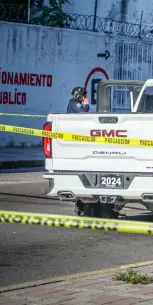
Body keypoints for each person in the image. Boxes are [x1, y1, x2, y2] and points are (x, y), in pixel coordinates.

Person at [67, 86, 90, 216]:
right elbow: (84, 111)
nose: (84, 97)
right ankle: (80, 204)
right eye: (83, 95)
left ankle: (82, 205)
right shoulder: (74, 103)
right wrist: (85, 102)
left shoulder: (77, 103)